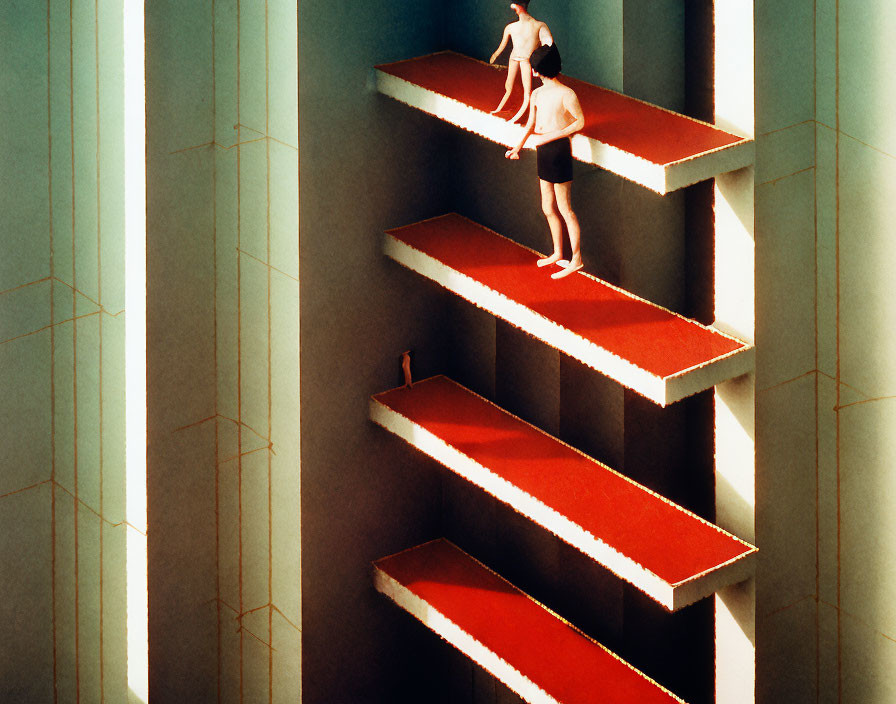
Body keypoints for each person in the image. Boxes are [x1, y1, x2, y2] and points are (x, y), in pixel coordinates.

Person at [505, 43, 585, 280]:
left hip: (558, 151)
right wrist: (518, 147)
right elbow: (531, 124)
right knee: (547, 207)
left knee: (565, 209)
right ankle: (558, 252)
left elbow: (579, 122)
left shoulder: (567, 94)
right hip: (543, 150)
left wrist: (554, 135)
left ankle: (577, 259)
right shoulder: (537, 94)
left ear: (537, 71)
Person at [489, 1, 554, 123]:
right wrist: (495, 55)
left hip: (526, 60)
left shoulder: (538, 25)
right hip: (514, 57)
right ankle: (499, 109)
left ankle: (520, 116)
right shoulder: (511, 27)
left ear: (518, 6)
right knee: (509, 86)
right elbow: (502, 45)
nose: (511, 6)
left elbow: (549, 43)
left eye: (514, 4)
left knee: (526, 91)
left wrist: (540, 56)